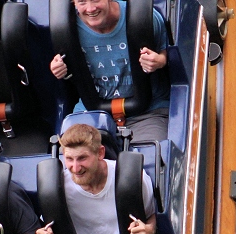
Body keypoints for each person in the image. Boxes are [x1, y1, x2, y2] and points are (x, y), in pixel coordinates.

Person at [50, 0, 170, 142]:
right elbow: (63, 65)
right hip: (91, 113)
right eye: (82, 2)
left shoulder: (145, 18)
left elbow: (168, 52)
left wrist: (160, 61)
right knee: (75, 158)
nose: (90, 8)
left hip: (148, 111)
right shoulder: (66, 30)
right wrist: (58, 68)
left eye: (96, 0)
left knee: (149, 158)